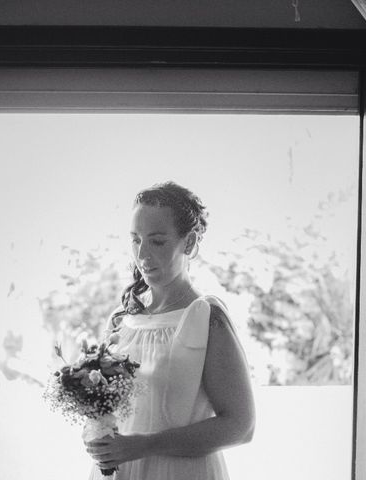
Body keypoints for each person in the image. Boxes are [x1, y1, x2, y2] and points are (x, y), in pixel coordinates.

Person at [84, 181, 256, 480]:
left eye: (157, 241)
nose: (143, 254)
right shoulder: (122, 318)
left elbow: (241, 426)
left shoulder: (206, 317)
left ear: (188, 243)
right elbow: (110, 407)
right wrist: (97, 434)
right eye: (135, 240)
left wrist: (146, 445)